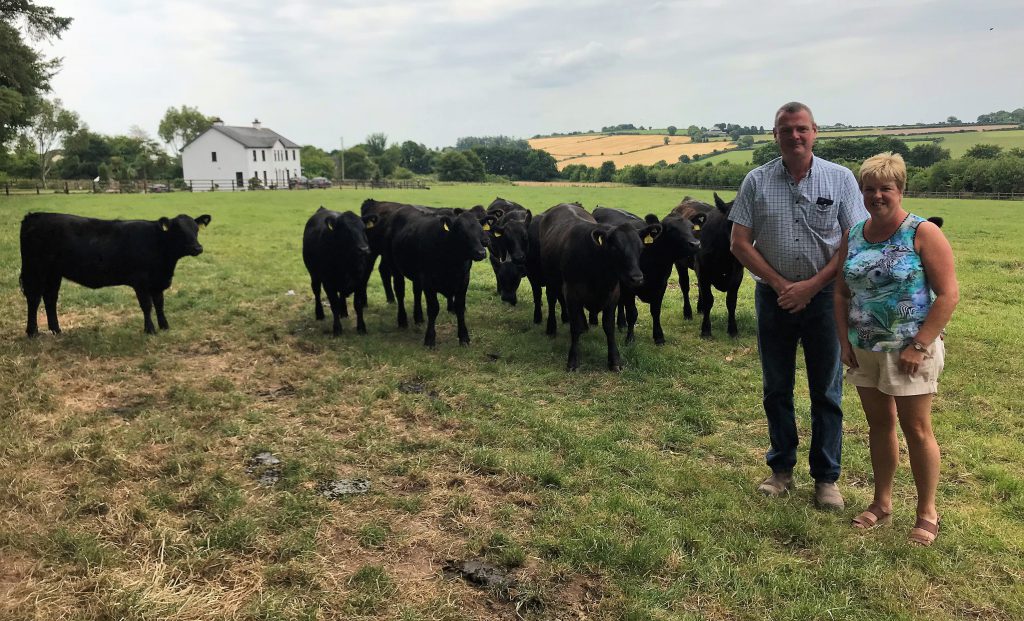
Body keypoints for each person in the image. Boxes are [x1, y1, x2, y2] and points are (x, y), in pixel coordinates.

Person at [729, 102, 868, 510]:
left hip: (825, 299)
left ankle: (827, 478)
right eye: (786, 130)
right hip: (773, 298)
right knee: (777, 387)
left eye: (801, 129)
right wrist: (780, 284)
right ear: (775, 135)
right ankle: (781, 469)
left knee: (826, 388)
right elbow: (739, 242)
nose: (795, 136)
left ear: (815, 132)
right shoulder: (756, 180)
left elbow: (852, 240)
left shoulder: (840, 179)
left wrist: (810, 286)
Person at [834, 152, 958, 545]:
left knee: (917, 429)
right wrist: (844, 342)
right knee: (879, 425)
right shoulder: (853, 233)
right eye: (869, 189)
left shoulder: (922, 233)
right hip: (864, 347)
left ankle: (927, 511)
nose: (876, 196)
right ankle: (882, 502)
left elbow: (948, 295)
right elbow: (840, 293)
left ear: (900, 189)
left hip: (908, 351)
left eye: (885, 188)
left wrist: (920, 345)